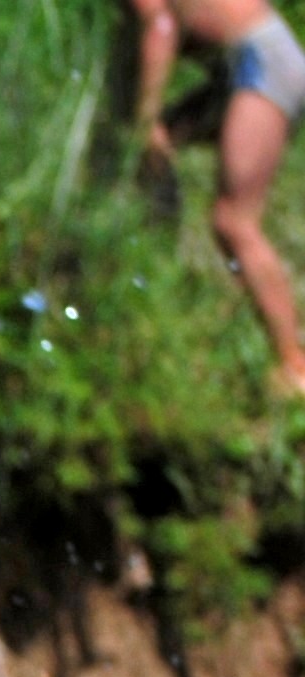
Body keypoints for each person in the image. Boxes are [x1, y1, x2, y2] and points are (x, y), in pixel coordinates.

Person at [132, 0, 305, 396]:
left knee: (234, 221)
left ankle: (294, 364)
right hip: (241, 65)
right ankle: (154, 281)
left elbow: (157, 24)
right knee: (151, 156)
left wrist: (145, 118)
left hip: (262, 60)